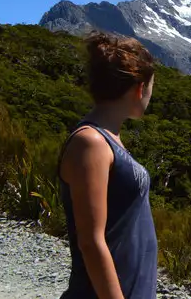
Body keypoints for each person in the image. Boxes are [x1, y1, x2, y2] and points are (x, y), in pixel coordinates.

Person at [57, 31, 159, 299]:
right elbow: (91, 242)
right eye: (150, 88)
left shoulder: (108, 139)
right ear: (139, 89)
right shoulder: (91, 142)